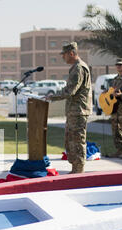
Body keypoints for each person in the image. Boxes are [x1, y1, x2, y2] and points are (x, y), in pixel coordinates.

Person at [47, 42, 92, 174]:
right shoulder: (76, 67)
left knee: (77, 141)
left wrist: (52, 97)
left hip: (79, 111)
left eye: (64, 55)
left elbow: (70, 91)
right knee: (71, 140)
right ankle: (75, 169)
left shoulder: (79, 68)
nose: (63, 57)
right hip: (75, 111)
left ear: (71, 53)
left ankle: (78, 170)